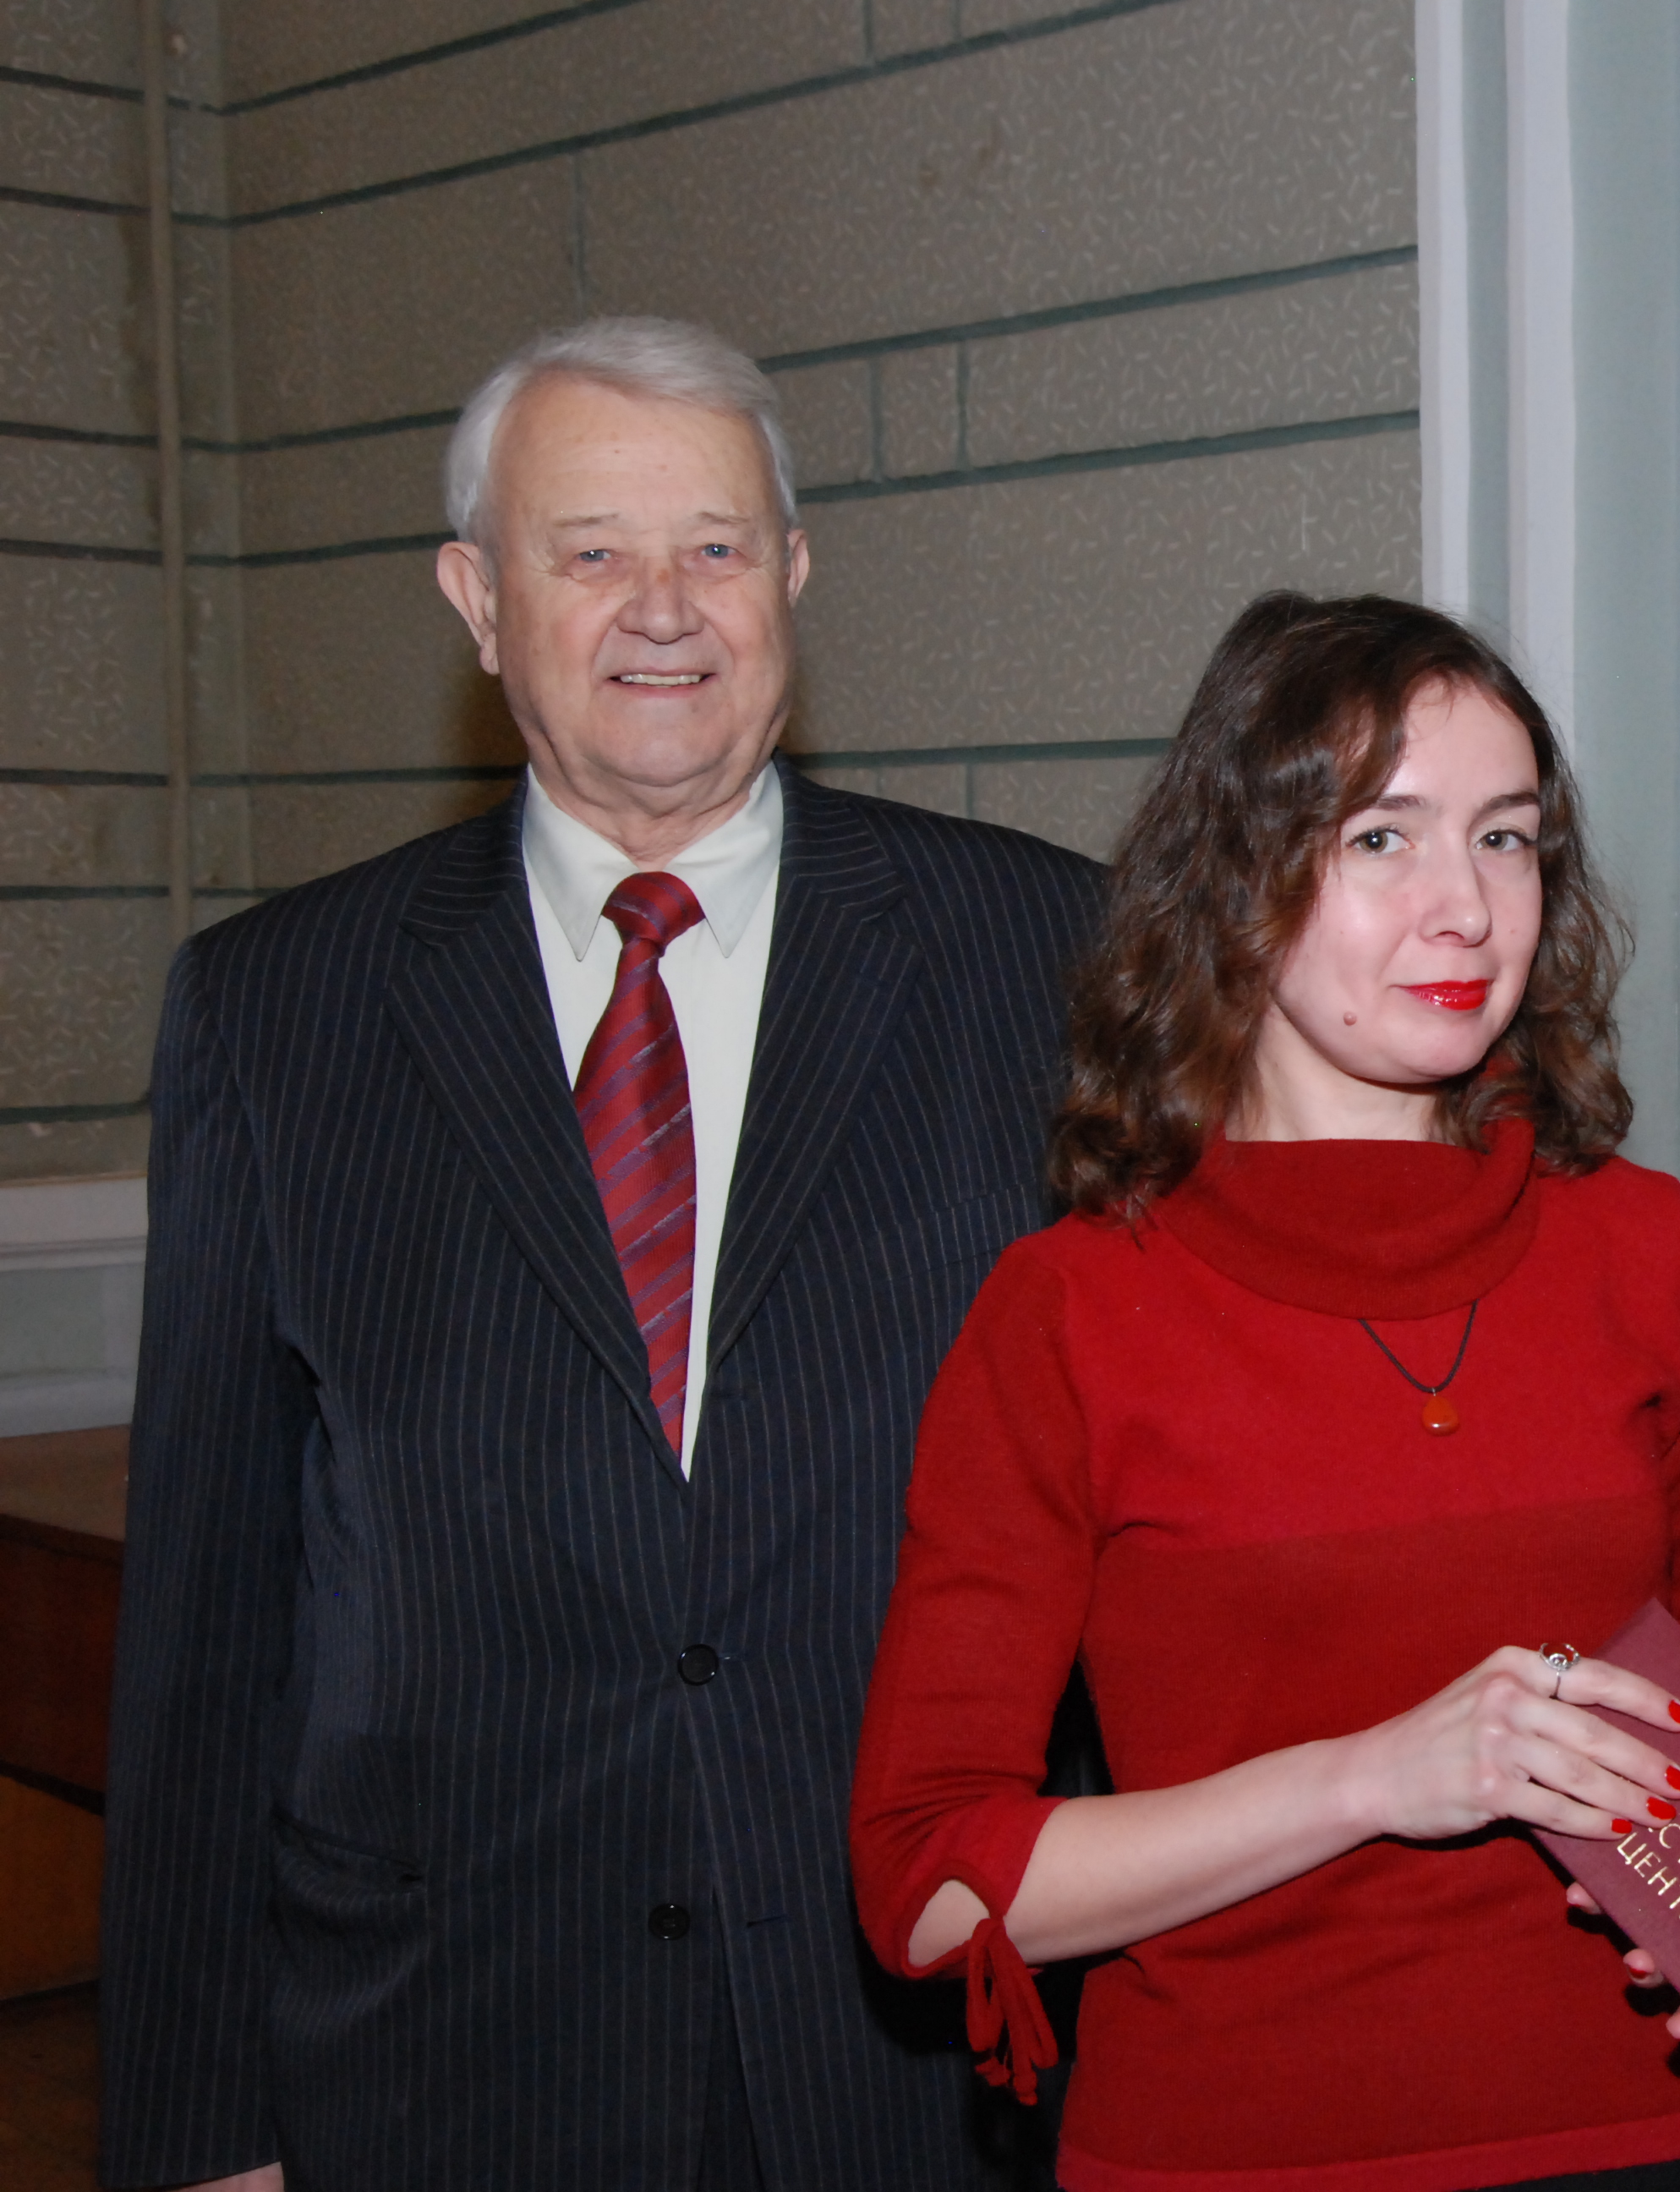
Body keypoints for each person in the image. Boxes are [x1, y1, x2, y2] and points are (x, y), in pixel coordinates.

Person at [100, 317, 1107, 2190]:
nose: (665, 608)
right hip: (446, 2047)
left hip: (923, 2056)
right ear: (478, 603)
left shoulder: (1043, 956)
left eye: (715, 546)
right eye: (590, 553)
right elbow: (211, 1616)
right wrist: (198, 2123)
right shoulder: (273, 1010)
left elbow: (1157, 1530)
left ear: (790, 577)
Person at [847, 591, 1680, 2192]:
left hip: (1641, 2133)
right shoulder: (1071, 1312)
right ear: (1234, 880)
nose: (1466, 909)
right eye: (1383, 839)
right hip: (1230, 2154)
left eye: (1506, 838)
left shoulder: (1644, 1249)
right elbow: (931, 1892)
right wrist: (1372, 1778)